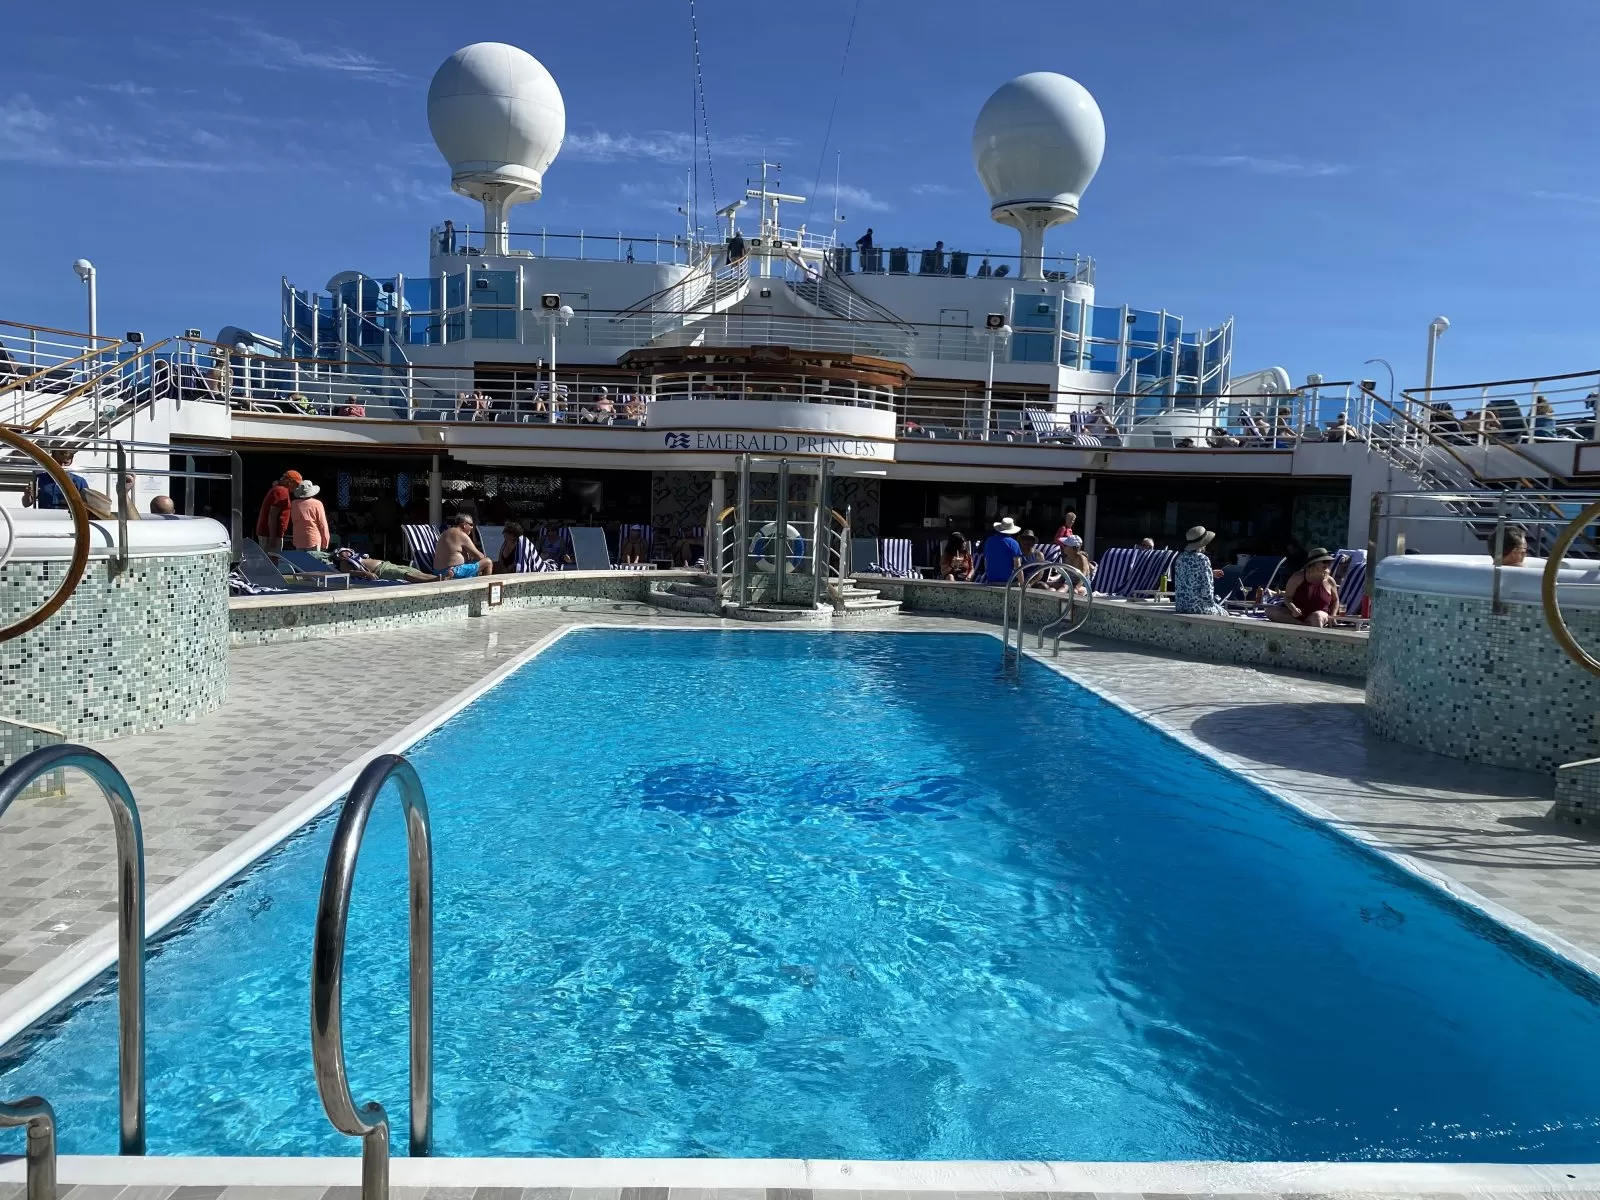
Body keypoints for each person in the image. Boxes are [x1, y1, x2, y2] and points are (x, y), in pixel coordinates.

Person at [1268, 547, 1340, 627]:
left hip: (1319, 614)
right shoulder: (1298, 577)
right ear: (1314, 563)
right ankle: (1304, 625)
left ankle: (1308, 629)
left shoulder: (1330, 581)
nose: (1328, 564)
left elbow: (1335, 600)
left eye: (1329, 562)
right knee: (1271, 611)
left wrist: (1333, 616)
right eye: (1325, 561)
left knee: (1317, 617)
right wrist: (1293, 609)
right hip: (1297, 615)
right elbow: (1287, 597)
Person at [1173, 525, 1228, 616]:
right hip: (1197, 607)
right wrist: (1213, 603)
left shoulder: (1180, 558)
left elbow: (1188, 577)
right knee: (1225, 614)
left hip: (1181, 606)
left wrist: (1211, 573)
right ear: (1203, 543)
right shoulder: (1203, 559)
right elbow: (1207, 591)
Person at [22, 449, 90, 510]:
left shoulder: (80, 482)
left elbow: (88, 507)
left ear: (71, 461)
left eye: (66, 463)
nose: (62, 466)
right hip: (44, 517)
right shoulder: (39, 479)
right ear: (52, 459)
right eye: (59, 462)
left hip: (69, 518)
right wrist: (27, 496)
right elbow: (26, 504)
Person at [331, 546, 437, 584]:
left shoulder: (356, 556)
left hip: (387, 564)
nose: (347, 552)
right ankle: (433, 580)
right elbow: (350, 573)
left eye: (347, 550)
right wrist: (366, 574)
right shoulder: (344, 562)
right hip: (380, 570)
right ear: (339, 556)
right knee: (406, 574)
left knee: (413, 571)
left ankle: (437, 578)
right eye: (343, 551)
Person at [434, 513, 493, 579]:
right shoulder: (461, 535)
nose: (472, 527)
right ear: (464, 525)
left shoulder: (445, 533)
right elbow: (480, 557)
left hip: (437, 572)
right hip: (453, 572)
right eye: (471, 525)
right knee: (488, 562)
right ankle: (484, 585)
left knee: (474, 566)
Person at [254, 469, 300, 551]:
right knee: (272, 557)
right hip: (269, 534)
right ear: (289, 481)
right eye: (297, 484)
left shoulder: (280, 489)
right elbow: (272, 516)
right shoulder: (281, 491)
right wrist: (273, 538)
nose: (297, 487)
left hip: (269, 534)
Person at [289, 478, 330, 551]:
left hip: (298, 540)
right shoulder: (317, 503)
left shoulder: (293, 504)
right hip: (313, 539)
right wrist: (325, 542)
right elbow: (323, 524)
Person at [982, 517, 1023, 585]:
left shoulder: (989, 541)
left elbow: (986, 561)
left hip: (991, 580)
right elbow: (1017, 566)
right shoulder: (1014, 543)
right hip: (1008, 581)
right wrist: (1022, 584)